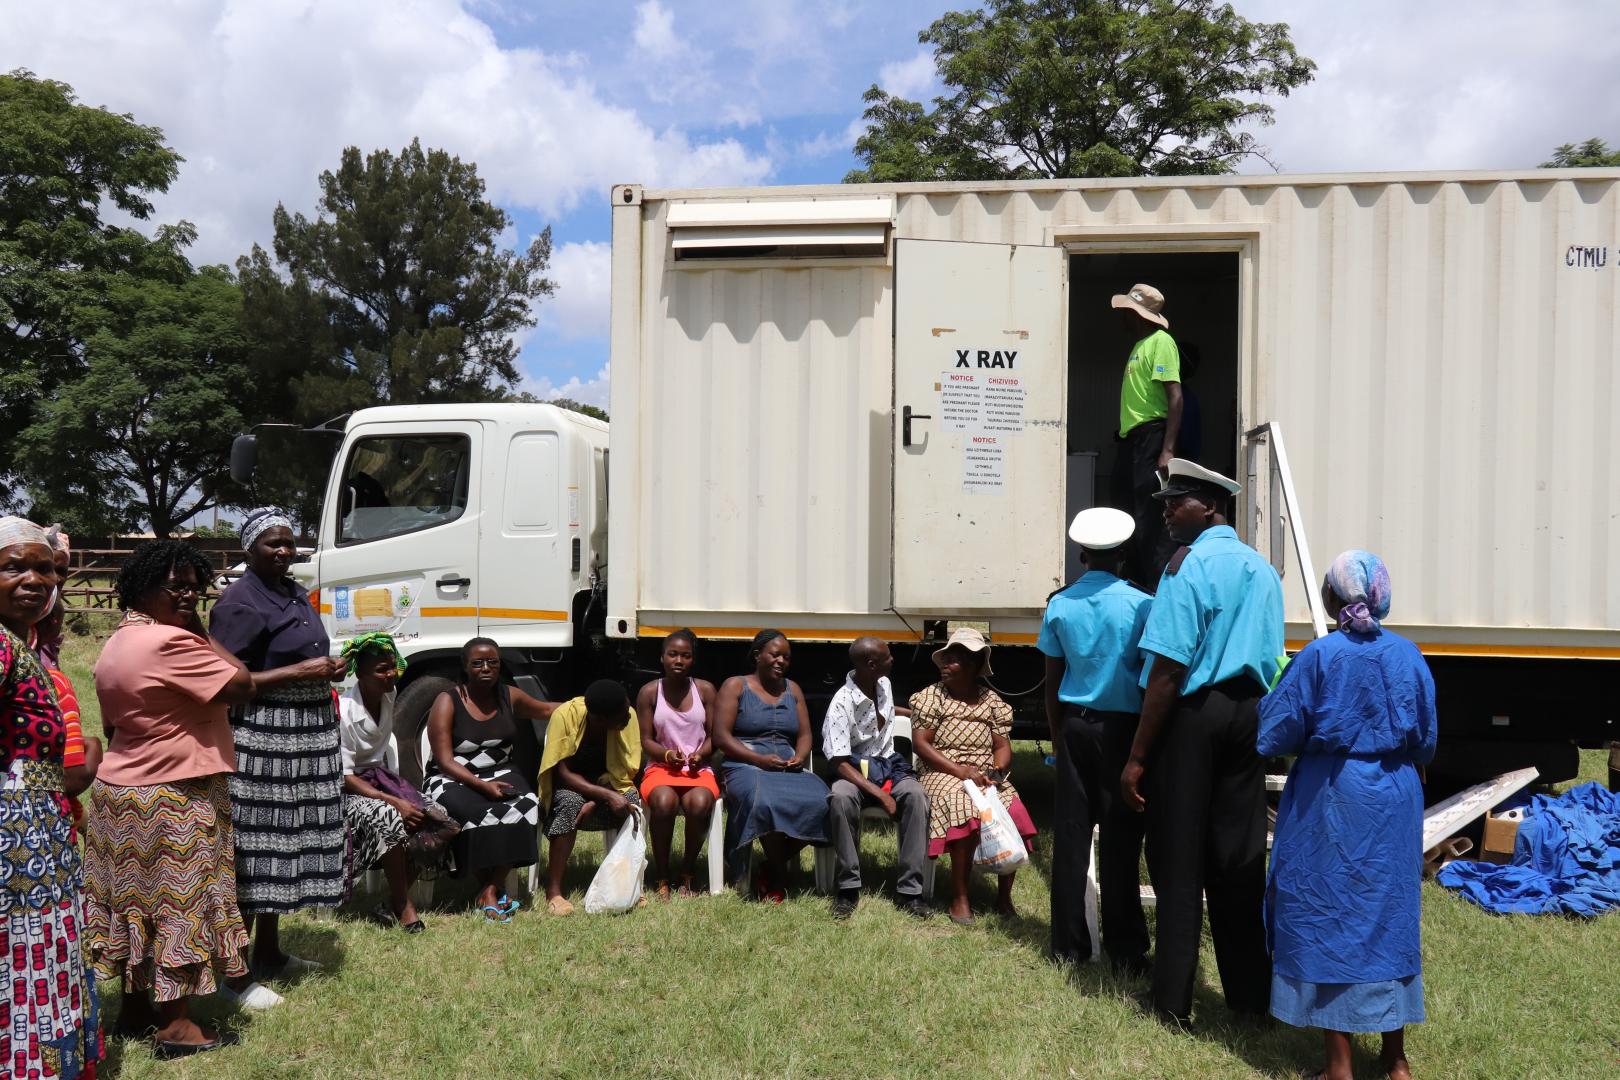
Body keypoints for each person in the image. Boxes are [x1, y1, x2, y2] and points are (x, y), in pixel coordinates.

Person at [1260, 551, 1437, 1080]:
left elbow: (1275, 733)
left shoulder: (1318, 657)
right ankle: (1394, 1059)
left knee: (1326, 912)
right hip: (1393, 797)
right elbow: (1426, 739)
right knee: (1388, 916)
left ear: (1333, 599)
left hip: (1332, 798)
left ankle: (1338, 1065)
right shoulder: (1409, 655)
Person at [1120, 458, 1284, 1026]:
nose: (1165, 512)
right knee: (1240, 855)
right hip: (1250, 715)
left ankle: (1171, 1001)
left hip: (1194, 716)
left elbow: (1167, 667)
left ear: (1210, 506)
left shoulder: (1184, 566)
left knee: (1178, 859)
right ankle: (1249, 997)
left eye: (1176, 502)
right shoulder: (1261, 569)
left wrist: (1138, 757)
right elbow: (1272, 657)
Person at [86, 539, 257, 1056]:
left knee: (134, 905)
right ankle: (177, 1027)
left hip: (121, 791)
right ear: (142, 588)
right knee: (180, 905)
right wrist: (201, 633)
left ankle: (135, 1009)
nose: (188, 595)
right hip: (173, 794)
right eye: (176, 586)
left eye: (195, 587)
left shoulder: (119, 639)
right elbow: (242, 684)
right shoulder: (171, 643)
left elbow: (112, 723)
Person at [208, 507, 347, 985]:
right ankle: (235, 973)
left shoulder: (292, 592)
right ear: (250, 549)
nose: (285, 551)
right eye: (273, 544)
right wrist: (301, 672)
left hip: (308, 731)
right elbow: (227, 679)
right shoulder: (239, 602)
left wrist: (327, 667)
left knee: (291, 842)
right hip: (266, 734)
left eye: (289, 542)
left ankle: (269, 951)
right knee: (257, 846)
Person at [0, 516, 102, 1077]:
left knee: (38, 947)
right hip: (14, 836)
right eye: (14, 566)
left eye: (43, 568)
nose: (34, 579)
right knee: (22, 951)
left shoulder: (20, 644)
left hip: (38, 829)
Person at [1039, 507, 1152, 971]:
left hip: (1076, 725)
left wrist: (1057, 731)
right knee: (1121, 840)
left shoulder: (1060, 604)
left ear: (1081, 554)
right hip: (1123, 729)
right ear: (1123, 556)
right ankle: (1125, 949)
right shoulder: (1142, 604)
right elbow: (1149, 677)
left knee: (1071, 835)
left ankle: (1069, 944)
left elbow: (1051, 678)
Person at [911, 628, 1037, 926]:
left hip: (983, 773)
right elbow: (921, 744)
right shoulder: (931, 697)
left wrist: (997, 771)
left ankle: (1004, 897)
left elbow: (1002, 745)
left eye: (953, 660)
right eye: (945, 659)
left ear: (973, 666)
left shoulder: (991, 701)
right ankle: (961, 896)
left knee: (1010, 807)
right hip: (942, 771)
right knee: (964, 808)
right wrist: (959, 771)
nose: (945, 665)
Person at [336, 632, 458, 932]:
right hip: (349, 790)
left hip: (381, 779)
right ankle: (405, 906)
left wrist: (397, 797)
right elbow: (346, 776)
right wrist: (394, 801)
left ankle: (391, 900)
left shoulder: (389, 695)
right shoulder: (345, 711)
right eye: (381, 669)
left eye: (392, 666)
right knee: (391, 817)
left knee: (444, 822)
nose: (390, 673)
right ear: (360, 673)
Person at [423, 638, 550, 920]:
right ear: (465, 667)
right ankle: (488, 888)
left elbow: (545, 710)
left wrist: (586, 704)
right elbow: (444, 760)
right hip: (449, 776)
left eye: (492, 661)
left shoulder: (509, 695)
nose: (486, 668)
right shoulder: (448, 700)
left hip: (502, 771)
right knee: (473, 810)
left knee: (526, 805)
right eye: (477, 662)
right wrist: (481, 785)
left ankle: (490, 888)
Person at [714, 630, 830, 902]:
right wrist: (759, 760)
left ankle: (770, 865)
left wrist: (800, 756)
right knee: (765, 801)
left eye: (786, 657)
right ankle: (778, 875)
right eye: (775, 654)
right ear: (757, 655)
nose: (781, 661)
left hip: (787, 765)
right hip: (744, 763)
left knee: (828, 802)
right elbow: (720, 737)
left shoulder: (793, 689)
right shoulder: (736, 686)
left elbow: (804, 735)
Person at [822, 636, 931, 920]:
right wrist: (881, 794)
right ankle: (847, 888)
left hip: (889, 765)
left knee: (916, 796)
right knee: (841, 798)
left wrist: (919, 716)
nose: (893, 659)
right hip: (854, 769)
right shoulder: (841, 703)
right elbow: (838, 762)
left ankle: (911, 890)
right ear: (872, 664)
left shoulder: (883, 684)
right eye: (887, 656)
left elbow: (887, 714)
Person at [538, 679, 643, 914]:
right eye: (622, 715)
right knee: (571, 804)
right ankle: (554, 891)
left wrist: (599, 799)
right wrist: (602, 796)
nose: (628, 717)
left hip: (609, 785)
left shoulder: (629, 717)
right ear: (600, 720)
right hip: (569, 786)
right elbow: (561, 772)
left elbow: (627, 770)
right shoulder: (565, 717)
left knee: (632, 805)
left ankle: (627, 886)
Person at [635, 630, 719, 899]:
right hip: (662, 768)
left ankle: (687, 871)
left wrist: (701, 755)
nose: (679, 660)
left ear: (693, 660)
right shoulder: (650, 692)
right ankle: (661, 875)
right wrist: (667, 755)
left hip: (697, 768)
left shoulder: (705, 690)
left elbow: (714, 736)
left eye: (685, 655)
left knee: (700, 803)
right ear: (662, 658)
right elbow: (645, 739)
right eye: (673, 654)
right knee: (663, 802)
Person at [1110, 283, 1183, 586]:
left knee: (1149, 514)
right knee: (1126, 508)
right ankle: (1134, 578)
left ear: (1137, 313)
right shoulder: (1139, 345)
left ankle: (1155, 584)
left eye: (1126, 311)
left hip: (1152, 437)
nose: (1122, 317)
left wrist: (1167, 449)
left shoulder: (1161, 341)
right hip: (1133, 440)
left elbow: (1175, 396)